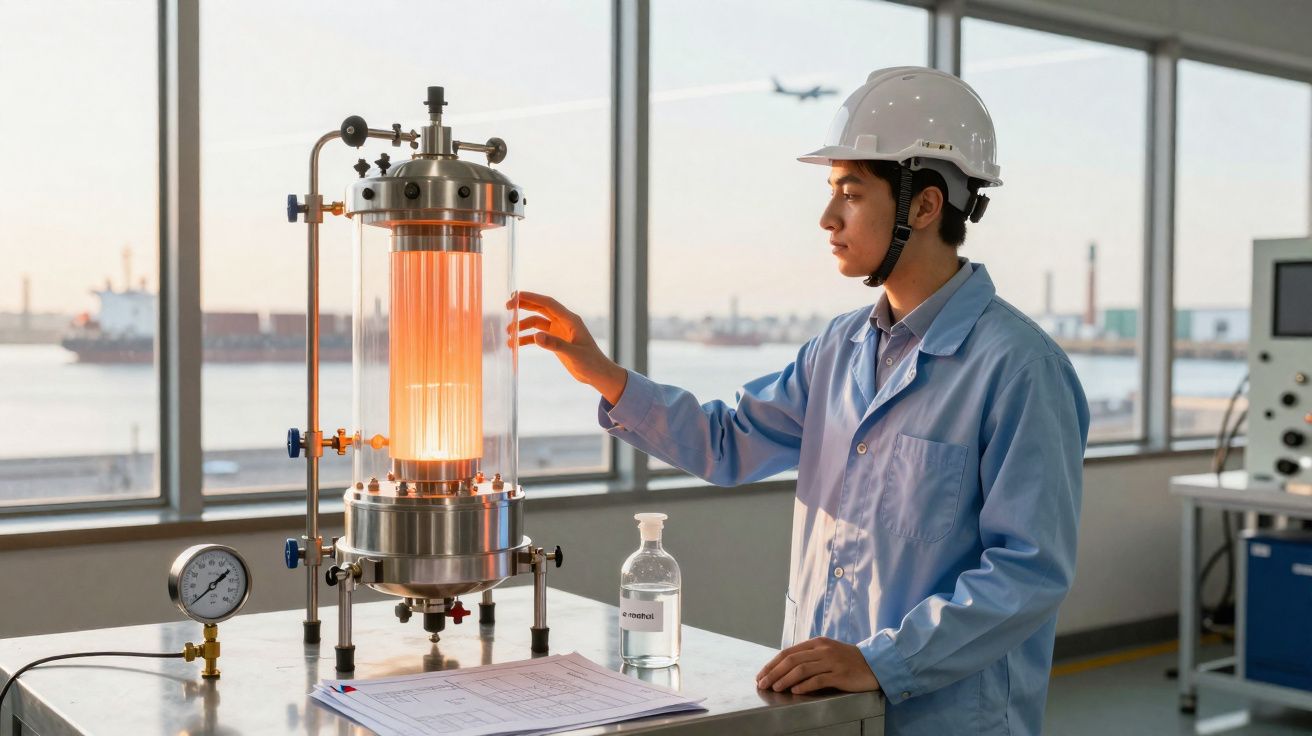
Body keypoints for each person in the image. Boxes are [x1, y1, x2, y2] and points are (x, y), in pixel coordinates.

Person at [509, 66, 1089, 736]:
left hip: (945, 719)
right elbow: (727, 443)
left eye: (851, 192)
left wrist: (879, 661)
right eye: (830, 191)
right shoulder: (839, 349)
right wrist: (606, 374)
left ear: (925, 206)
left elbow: (1027, 573)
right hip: (822, 711)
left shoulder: (1019, 368)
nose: (827, 217)